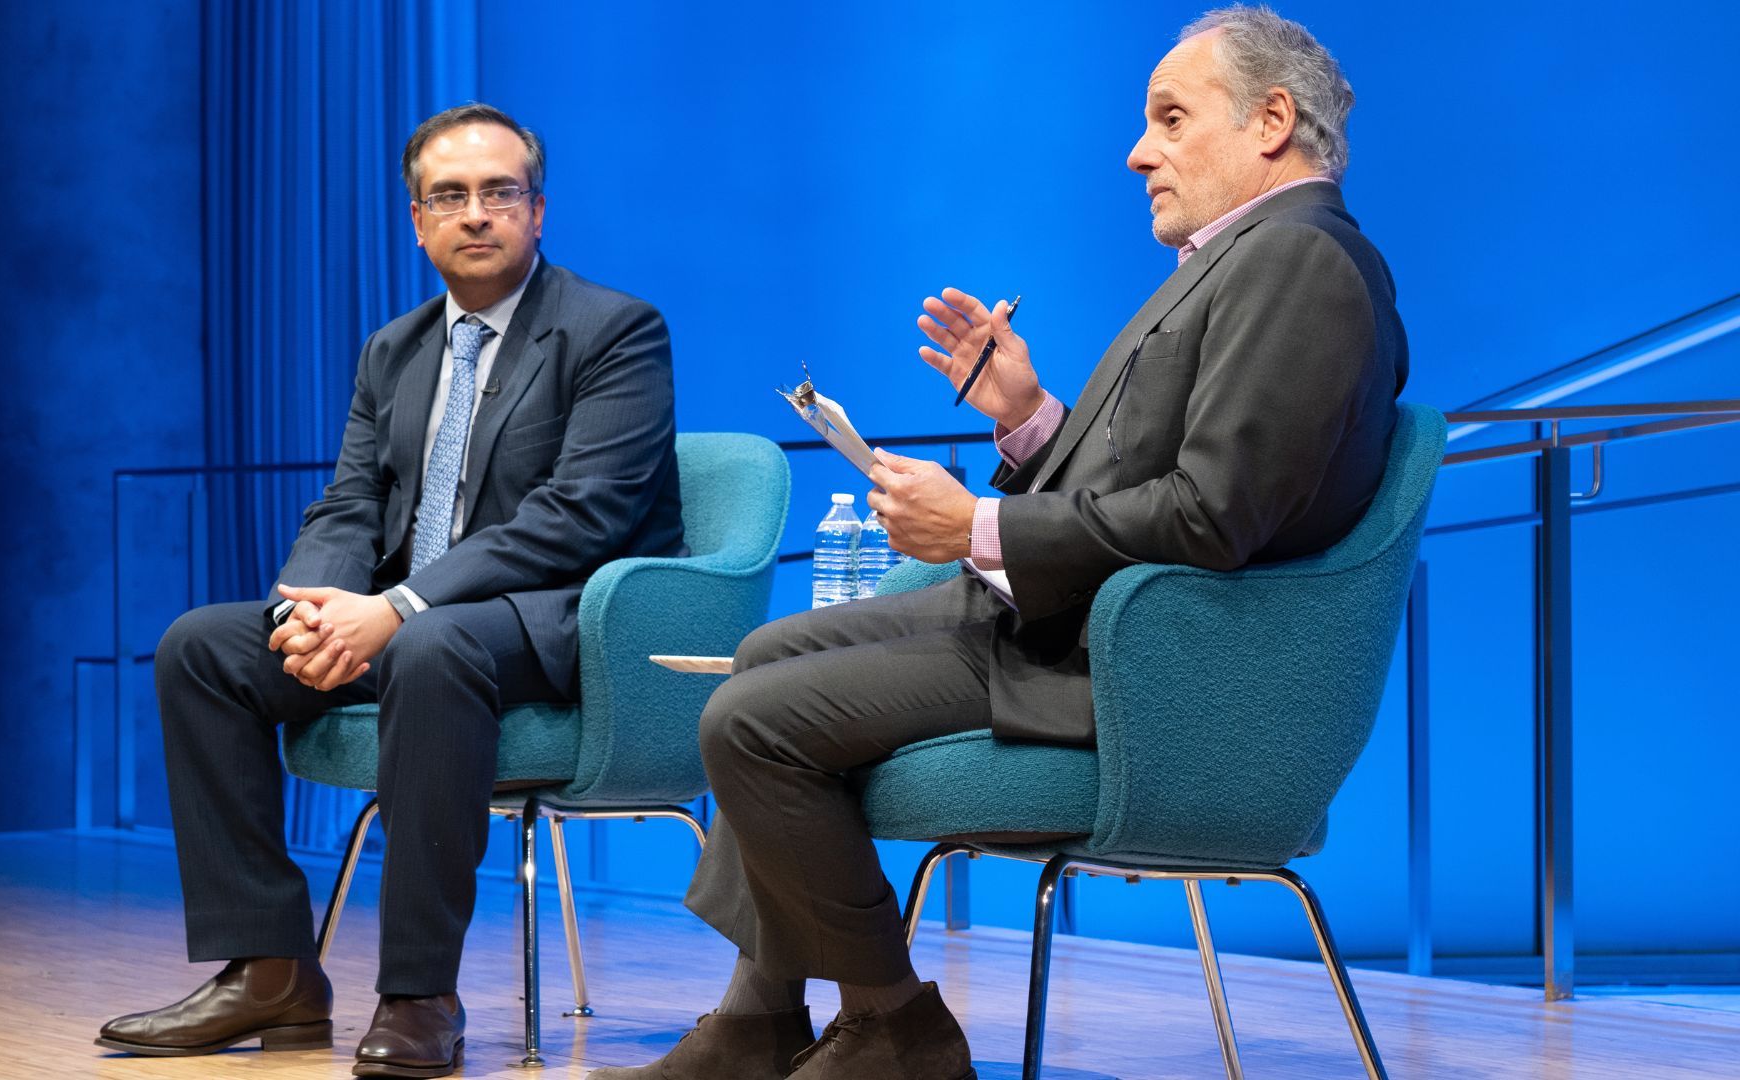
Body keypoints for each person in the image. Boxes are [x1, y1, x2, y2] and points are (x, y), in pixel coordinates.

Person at [588, 7, 1407, 1079]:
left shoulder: (1303, 265)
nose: (1137, 150)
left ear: (1272, 121)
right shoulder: (1249, 258)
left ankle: (896, 1027)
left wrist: (975, 524)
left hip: (1144, 673)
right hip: (1079, 627)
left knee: (754, 718)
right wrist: (1026, 420)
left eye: (1169, 118)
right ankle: (762, 1013)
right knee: (765, 656)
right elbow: (1163, 487)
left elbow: (1212, 520)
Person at [96, 103, 684, 1079]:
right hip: (397, 625)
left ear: (539, 211)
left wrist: (399, 608)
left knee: (429, 643)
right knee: (203, 646)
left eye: (501, 192)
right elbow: (349, 503)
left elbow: (577, 520)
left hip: (550, 622)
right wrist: (315, 607)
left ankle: (419, 992)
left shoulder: (614, 331)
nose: (476, 214)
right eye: (449, 196)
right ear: (416, 221)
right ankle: (272, 969)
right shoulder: (395, 348)